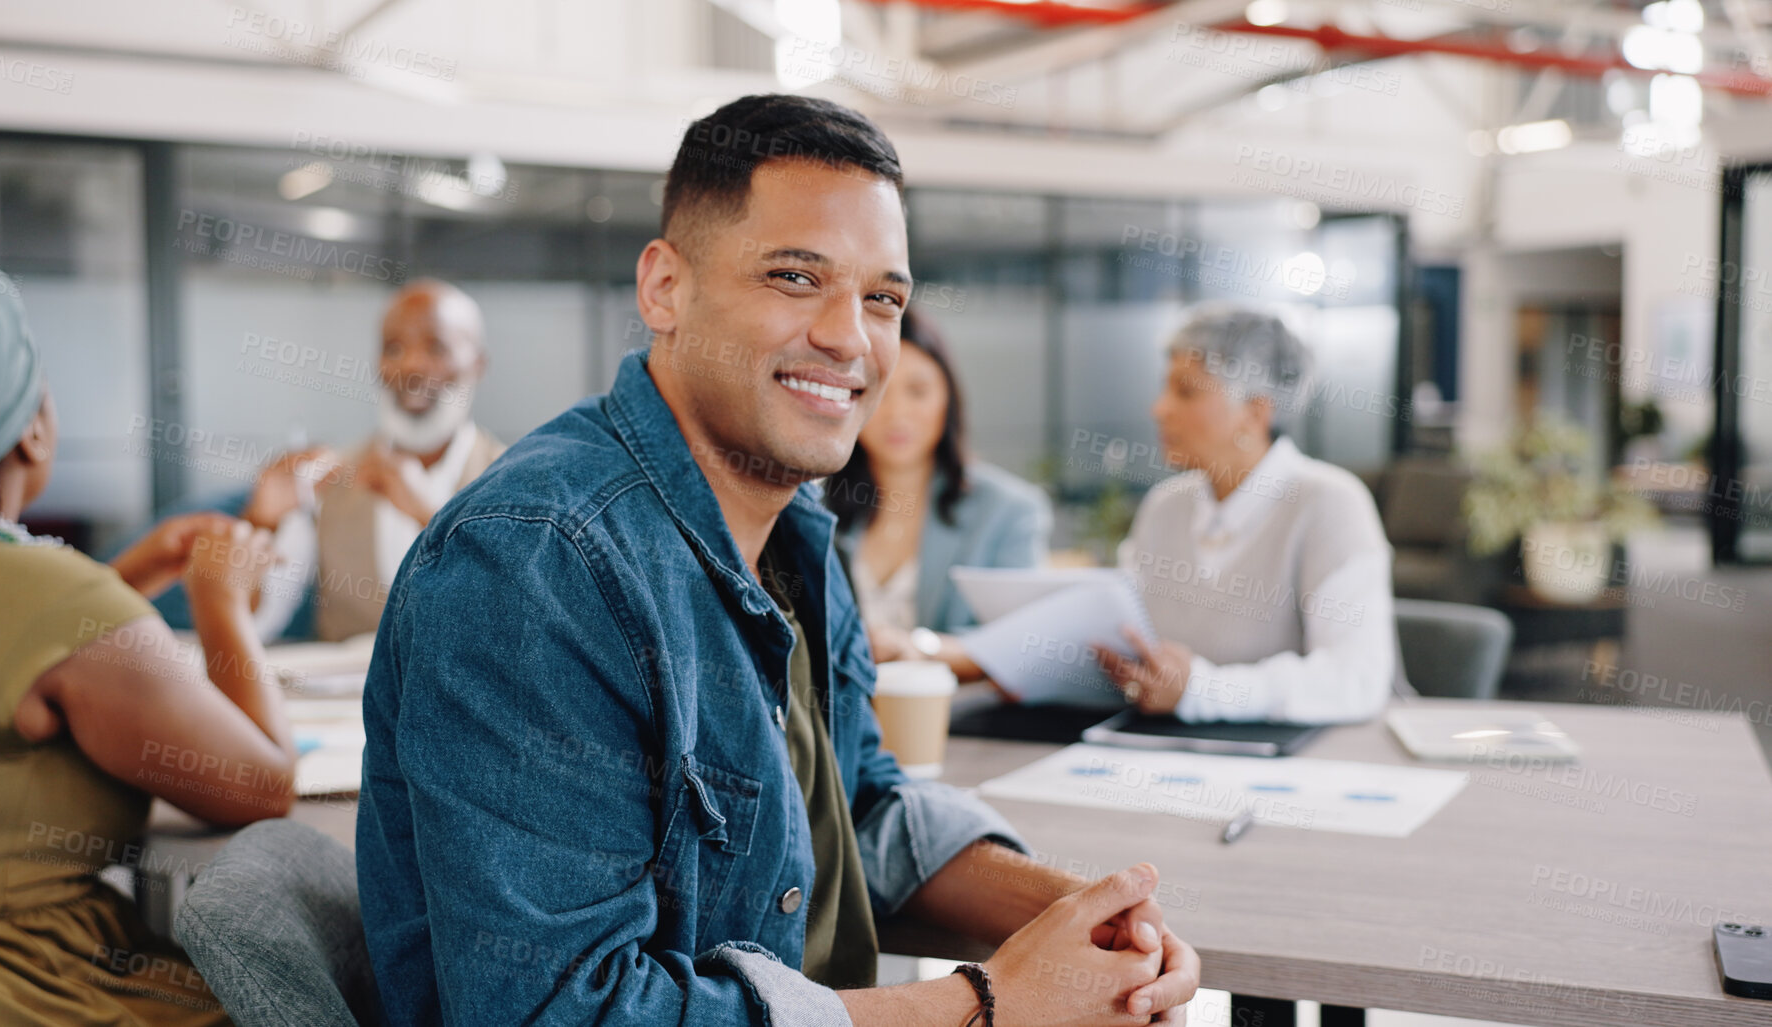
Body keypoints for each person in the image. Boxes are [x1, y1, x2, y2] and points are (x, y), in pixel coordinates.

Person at [356, 94, 1198, 1026]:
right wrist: (983, 1002)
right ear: (664, 288)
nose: (850, 336)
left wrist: (1078, 917)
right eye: (796, 277)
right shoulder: (535, 563)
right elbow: (557, 1010)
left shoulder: (792, 530)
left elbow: (860, 806)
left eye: (883, 297)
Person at [0, 239, 294, 1026]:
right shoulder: (39, 598)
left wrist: (117, 581)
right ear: (33, 432)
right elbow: (261, 786)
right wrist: (223, 604)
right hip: (18, 986)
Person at [155, 278, 506, 643]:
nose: (412, 366)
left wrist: (426, 515)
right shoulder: (332, 477)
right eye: (393, 348)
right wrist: (263, 521)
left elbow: (516, 616)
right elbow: (257, 623)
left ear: (478, 364)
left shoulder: (514, 480)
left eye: (436, 347)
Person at [1097, 304, 1396, 724]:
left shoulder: (1330, 504)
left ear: (1256, 412)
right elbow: (1130, 638)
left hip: (1303, 763)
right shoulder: (1165, 506)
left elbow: (1355, 679)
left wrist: (1202, 691)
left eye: (1186, 391)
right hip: (1169, 751)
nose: (1160, 409)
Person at [825, 308, 1051, 685]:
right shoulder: (812, 507)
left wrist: (917, 648)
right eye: (878, 389)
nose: (897, 413)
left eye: (917, 391)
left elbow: (1019, 646)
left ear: (948, 396)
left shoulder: (1008, 511)